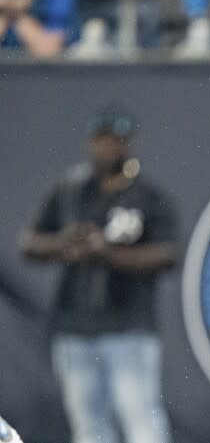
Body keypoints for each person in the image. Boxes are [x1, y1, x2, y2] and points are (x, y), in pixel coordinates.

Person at [19, 106, 176, 443]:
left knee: (142, 423)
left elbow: (167, 254)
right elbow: (29, 244)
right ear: (90, 142)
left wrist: (107, 253)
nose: (108, 149)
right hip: (75, 327)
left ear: (129, 144)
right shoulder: (71, 191)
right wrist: (63, 243)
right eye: (102, 140)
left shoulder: (147, 196)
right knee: (89, 428)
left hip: (128, 325)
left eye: (116, 141)